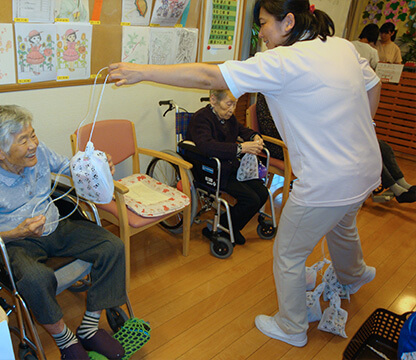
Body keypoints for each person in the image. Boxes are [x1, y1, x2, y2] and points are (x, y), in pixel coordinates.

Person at [108, 0, 382, 347]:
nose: (261, 33)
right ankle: (354, 274)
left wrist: (141, 71)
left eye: (265, 23)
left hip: (327, 180)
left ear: (288, 23)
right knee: (343, 223)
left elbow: (210, 75)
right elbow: (373, 86)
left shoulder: (284, 60)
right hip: (366, 168)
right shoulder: (340, 46)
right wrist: (363, 129)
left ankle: (292, 325)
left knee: (289, 254)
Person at [0, 105, 126, 360]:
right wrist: (16, 233)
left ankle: (89, 328)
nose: (34, 144)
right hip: (16, 243)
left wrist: (97, 165)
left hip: (56, 226)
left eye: (32, 134)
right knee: (35, 279)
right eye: (24, 140)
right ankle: (65, 339)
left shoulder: (39, 152)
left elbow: (70, 167)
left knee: (112, 246)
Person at [186, 89, 269, 245]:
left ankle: (231, 227)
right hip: (210, 169)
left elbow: (242, 130)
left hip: (229, 167)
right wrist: (241, 148)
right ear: (213, 100)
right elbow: (207, 147)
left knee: (262, 193)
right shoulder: (201, 119)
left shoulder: (229, 119)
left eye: (235, 104)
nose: (232, 109)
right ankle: (220, 227)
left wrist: (254, 137)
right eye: (229, 104)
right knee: (250, 199)